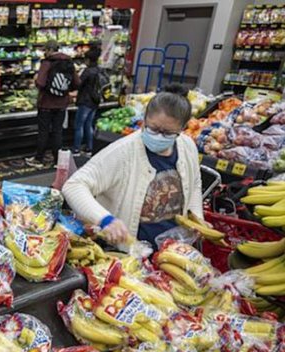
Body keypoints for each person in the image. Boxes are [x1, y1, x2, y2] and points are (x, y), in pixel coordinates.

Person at [62, 85, 202, 247]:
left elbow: (195, 184)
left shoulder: (187, 146)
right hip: (130, 250)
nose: (159, 136)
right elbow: (74, 185)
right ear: (144, 120)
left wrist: (197, 217)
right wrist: (105, 219)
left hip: (174, 248)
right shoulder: (122, 152)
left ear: (182, 129)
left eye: (168, 133)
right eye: (153, 128)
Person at [30, 39, 79, 168]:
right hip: (62, 104)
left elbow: (40, 83)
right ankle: (57, 161)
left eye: (45, 50)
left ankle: (39, 159)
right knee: (58, 132)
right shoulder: (69, 62)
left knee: (43, 132)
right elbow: (77, 83)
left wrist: (36, 80)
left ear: (49, 50)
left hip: (46, 104)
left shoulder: (47, 63)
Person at [73, 46, 102, 155]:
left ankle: (76, 149)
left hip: (85, 101)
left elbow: (78, 84)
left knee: (79, 126)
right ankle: (89, 148)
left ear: (88, 60)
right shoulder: (99, 70)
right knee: (89, 125)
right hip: (95, 101)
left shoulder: (88, 71)